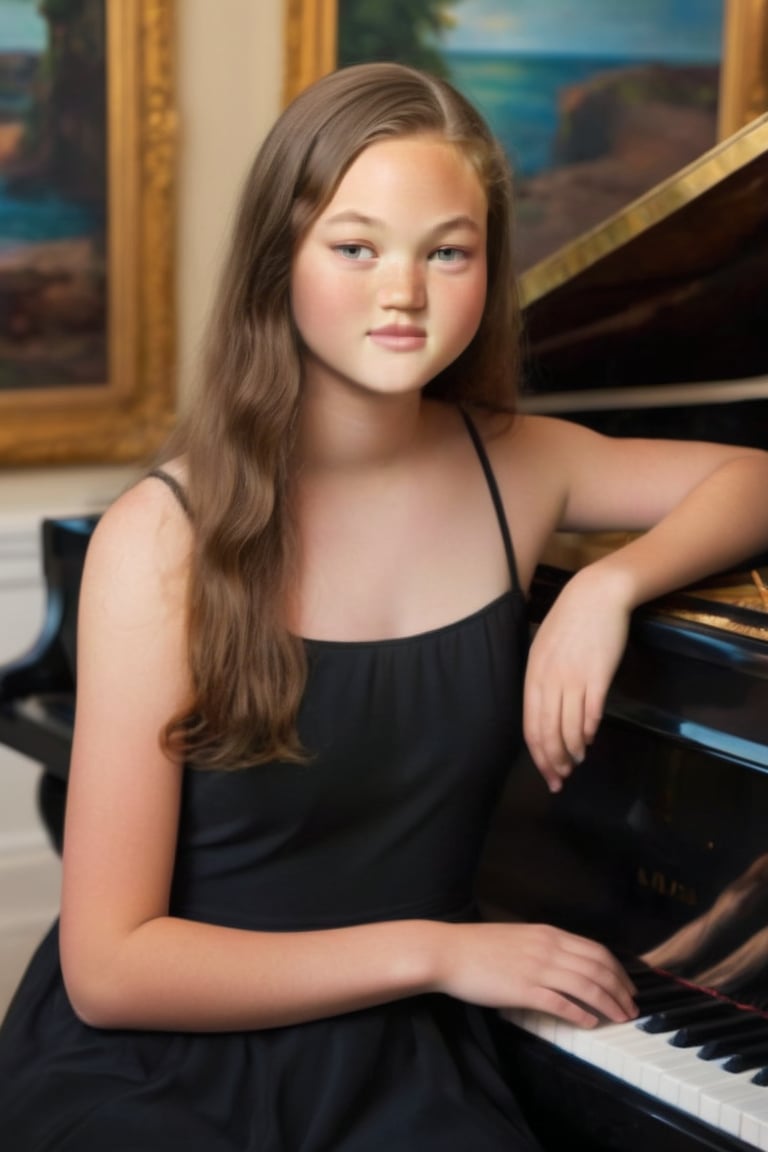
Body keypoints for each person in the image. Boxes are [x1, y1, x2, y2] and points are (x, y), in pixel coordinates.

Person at [1, 61, 768, 1152]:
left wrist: (608, 583)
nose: (402, 290)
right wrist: (440, 952)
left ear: (488, 266)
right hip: (160, 1068)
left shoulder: (520, 467)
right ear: (280, 262)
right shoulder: (164, 539)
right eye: (355, 246)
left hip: (393, 1060)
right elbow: (114, 970)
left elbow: (750, 479)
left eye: (446, 250)